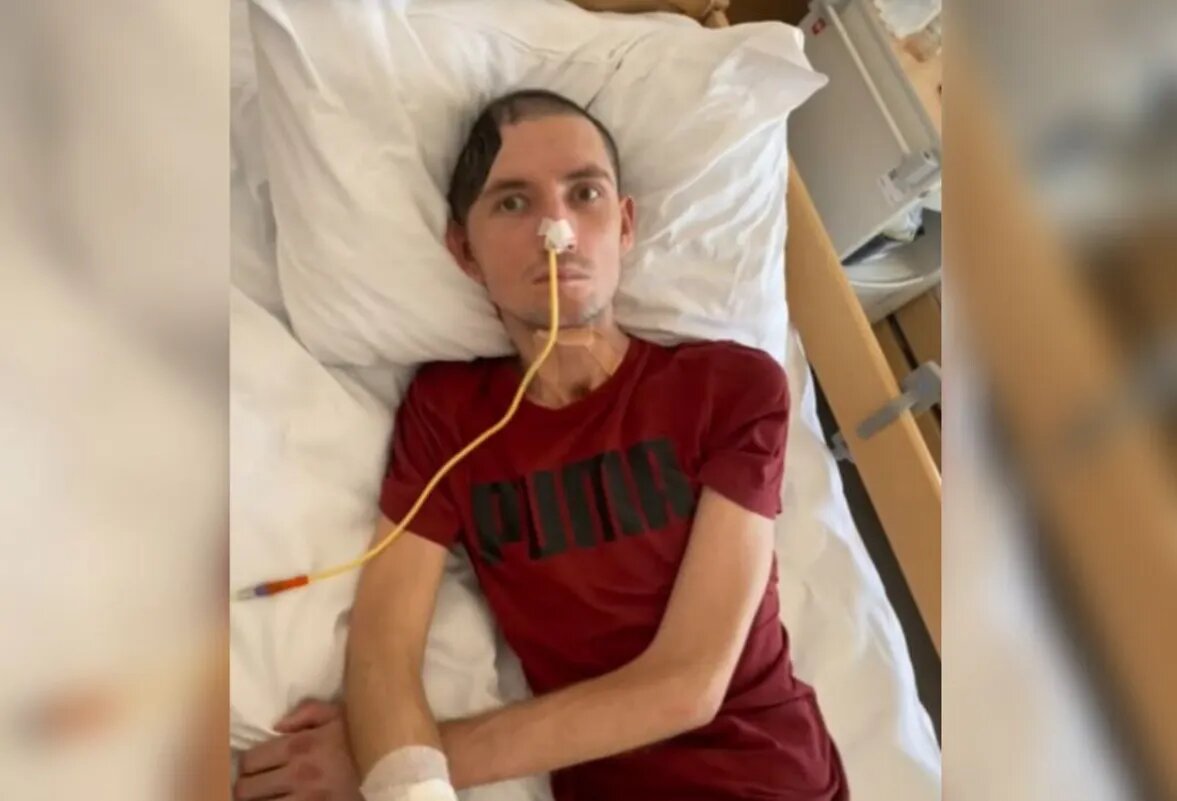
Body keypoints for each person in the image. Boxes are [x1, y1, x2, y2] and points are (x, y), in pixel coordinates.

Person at [234, 89, 849, 801]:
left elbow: (686, 685)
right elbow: (384, 640)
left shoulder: (729, 388)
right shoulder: (449, 416)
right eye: (512, 203)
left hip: (768, 780)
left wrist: (395, 759)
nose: (556, 228)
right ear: (463, 251)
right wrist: (403, 776)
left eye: (584, 193)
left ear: (624, 225)